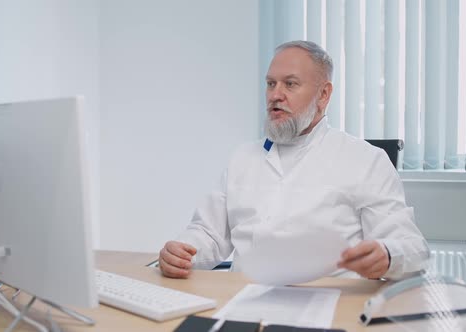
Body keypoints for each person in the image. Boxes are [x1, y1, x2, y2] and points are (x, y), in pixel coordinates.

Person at [159, 40, 429, 280]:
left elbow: (413, 248)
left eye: (290, 84)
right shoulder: (243, 157)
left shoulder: (366, 160)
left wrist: (387, 255)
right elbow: (208, 233)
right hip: (242, 301)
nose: (275, 95)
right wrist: (182, 252)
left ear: (323, 95)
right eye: (270, 84)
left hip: (328, 305)